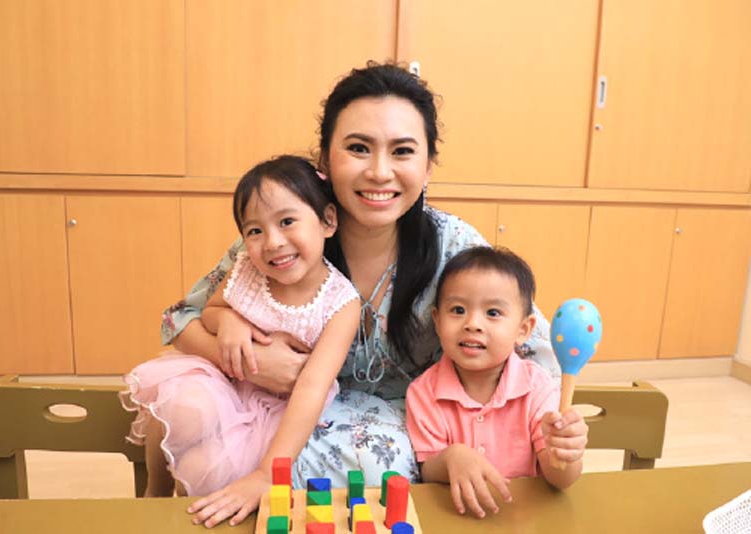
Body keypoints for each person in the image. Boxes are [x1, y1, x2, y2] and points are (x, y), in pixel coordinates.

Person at [162, 61, 561, 527]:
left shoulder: (455, 247)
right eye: (358, 148)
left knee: (377, 467)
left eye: (402, 151)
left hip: (414, 435)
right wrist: (249, 358)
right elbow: (179, 320)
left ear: (428, 167)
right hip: (279, 416)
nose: (379, 172)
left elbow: (532, 354)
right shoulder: (285, 235)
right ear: (324, 161)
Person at [122, 156, 361, 526]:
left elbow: (312, 387)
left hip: (277, 407)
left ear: (327, 221)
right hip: (222, 382)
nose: (273, 242)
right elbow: (209, 311)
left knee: (206, 469)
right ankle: (156, 489)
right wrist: (229, 320)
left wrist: (267, 473)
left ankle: (189, 508)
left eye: (287, 221)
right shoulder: (246, 269)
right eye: (255, 231)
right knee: (178, 406)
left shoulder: (341, 304)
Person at [405, 246, 588, 519]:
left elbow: (561, 480)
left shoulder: (538, 387)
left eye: (492, 313)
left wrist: (565, 454)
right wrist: (452, 457)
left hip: (526, 518)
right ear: (437, 320)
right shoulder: (423, 393)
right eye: (458, 309)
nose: (473, 324)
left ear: (523, 330)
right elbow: (428, 471)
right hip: (454, 518)